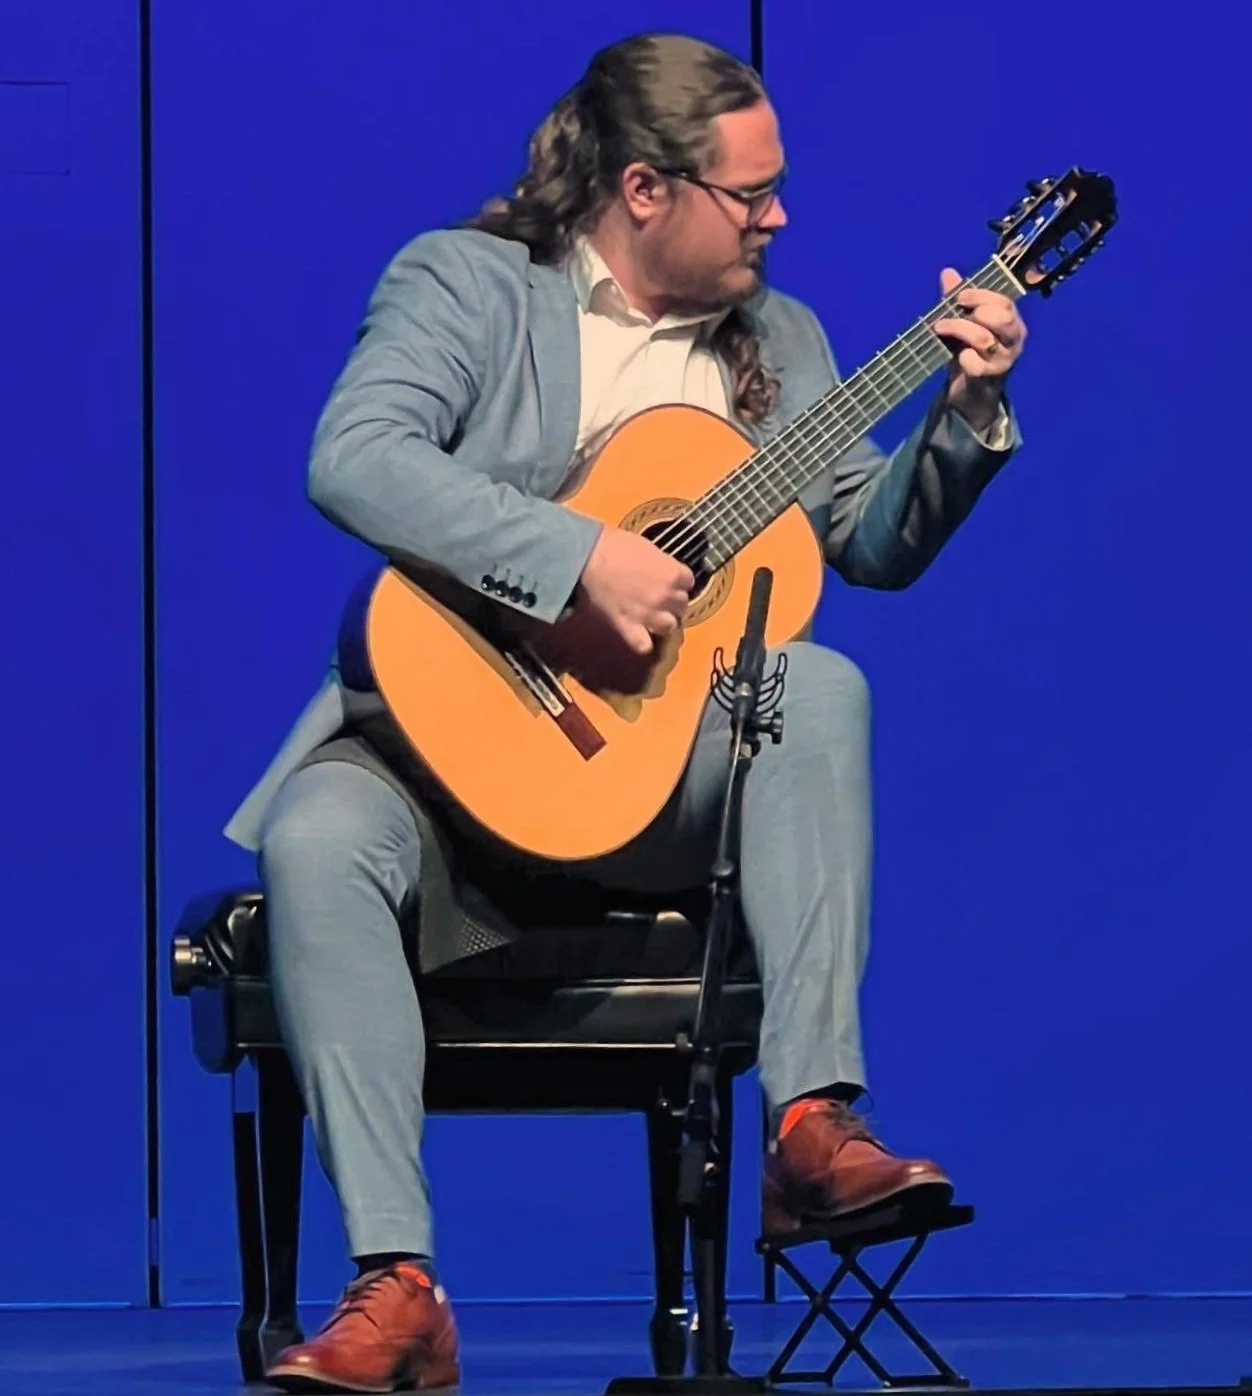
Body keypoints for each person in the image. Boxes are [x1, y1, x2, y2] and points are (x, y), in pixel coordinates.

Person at [225, 31, 1027, 1394]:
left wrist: (968, 411)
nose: (779, 218)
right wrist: (577, 558)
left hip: (658, 791)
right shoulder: (471, 285)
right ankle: (398, 1289)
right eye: (750, 193)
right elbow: (355, 457)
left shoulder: (782, 341)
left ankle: (812, 1129)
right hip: (442, 757)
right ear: (644, 190)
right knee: (314, 835)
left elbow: (870, 544)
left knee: (820, 684)